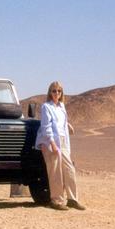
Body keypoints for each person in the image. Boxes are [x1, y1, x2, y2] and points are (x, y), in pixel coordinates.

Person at [35, 81, 86, 211]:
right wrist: (52, 144)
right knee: (55, 171)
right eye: (54, 91)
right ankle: (56, 200)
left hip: (62, 140)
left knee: (69, 169)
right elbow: (46, 127)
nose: (56, 93)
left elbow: (61, 121)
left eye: (59, 91)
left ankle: (72, 199)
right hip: (49, 141)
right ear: (49, 92)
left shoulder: (62, 106)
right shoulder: (46, 107)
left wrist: (68, 125)